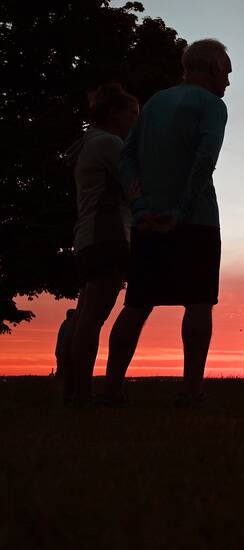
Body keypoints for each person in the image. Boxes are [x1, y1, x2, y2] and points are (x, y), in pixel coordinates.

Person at [104, 39, 232, 405]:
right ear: (208, 68)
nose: (228, 80)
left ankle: (112, 388)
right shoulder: (213, 106)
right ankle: (191, 390)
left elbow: (126, 158)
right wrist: (180, 210)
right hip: (198, 220)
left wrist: (141, 206)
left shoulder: (155, 103)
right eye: (226, 70)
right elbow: (205, 160)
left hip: (147, 220)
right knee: (199, 301)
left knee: (138, 302)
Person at [65, 83, 140, 403]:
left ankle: (75, 390)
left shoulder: (89, 144)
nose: (136, 122)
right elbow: (136, 188)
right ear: (113, 114)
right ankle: (80, 392)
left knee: (87, 314)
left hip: (90, 237)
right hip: (106, 235)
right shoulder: (109, 144)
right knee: (94, 316)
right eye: (133, 115)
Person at [55, 308, 77, 399]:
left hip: (61, 351)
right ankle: (64, 390)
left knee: (62, 370)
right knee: (64, 370)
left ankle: (60, 388)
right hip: (64, 352)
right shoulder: (68, 326)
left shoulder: (65, 325)